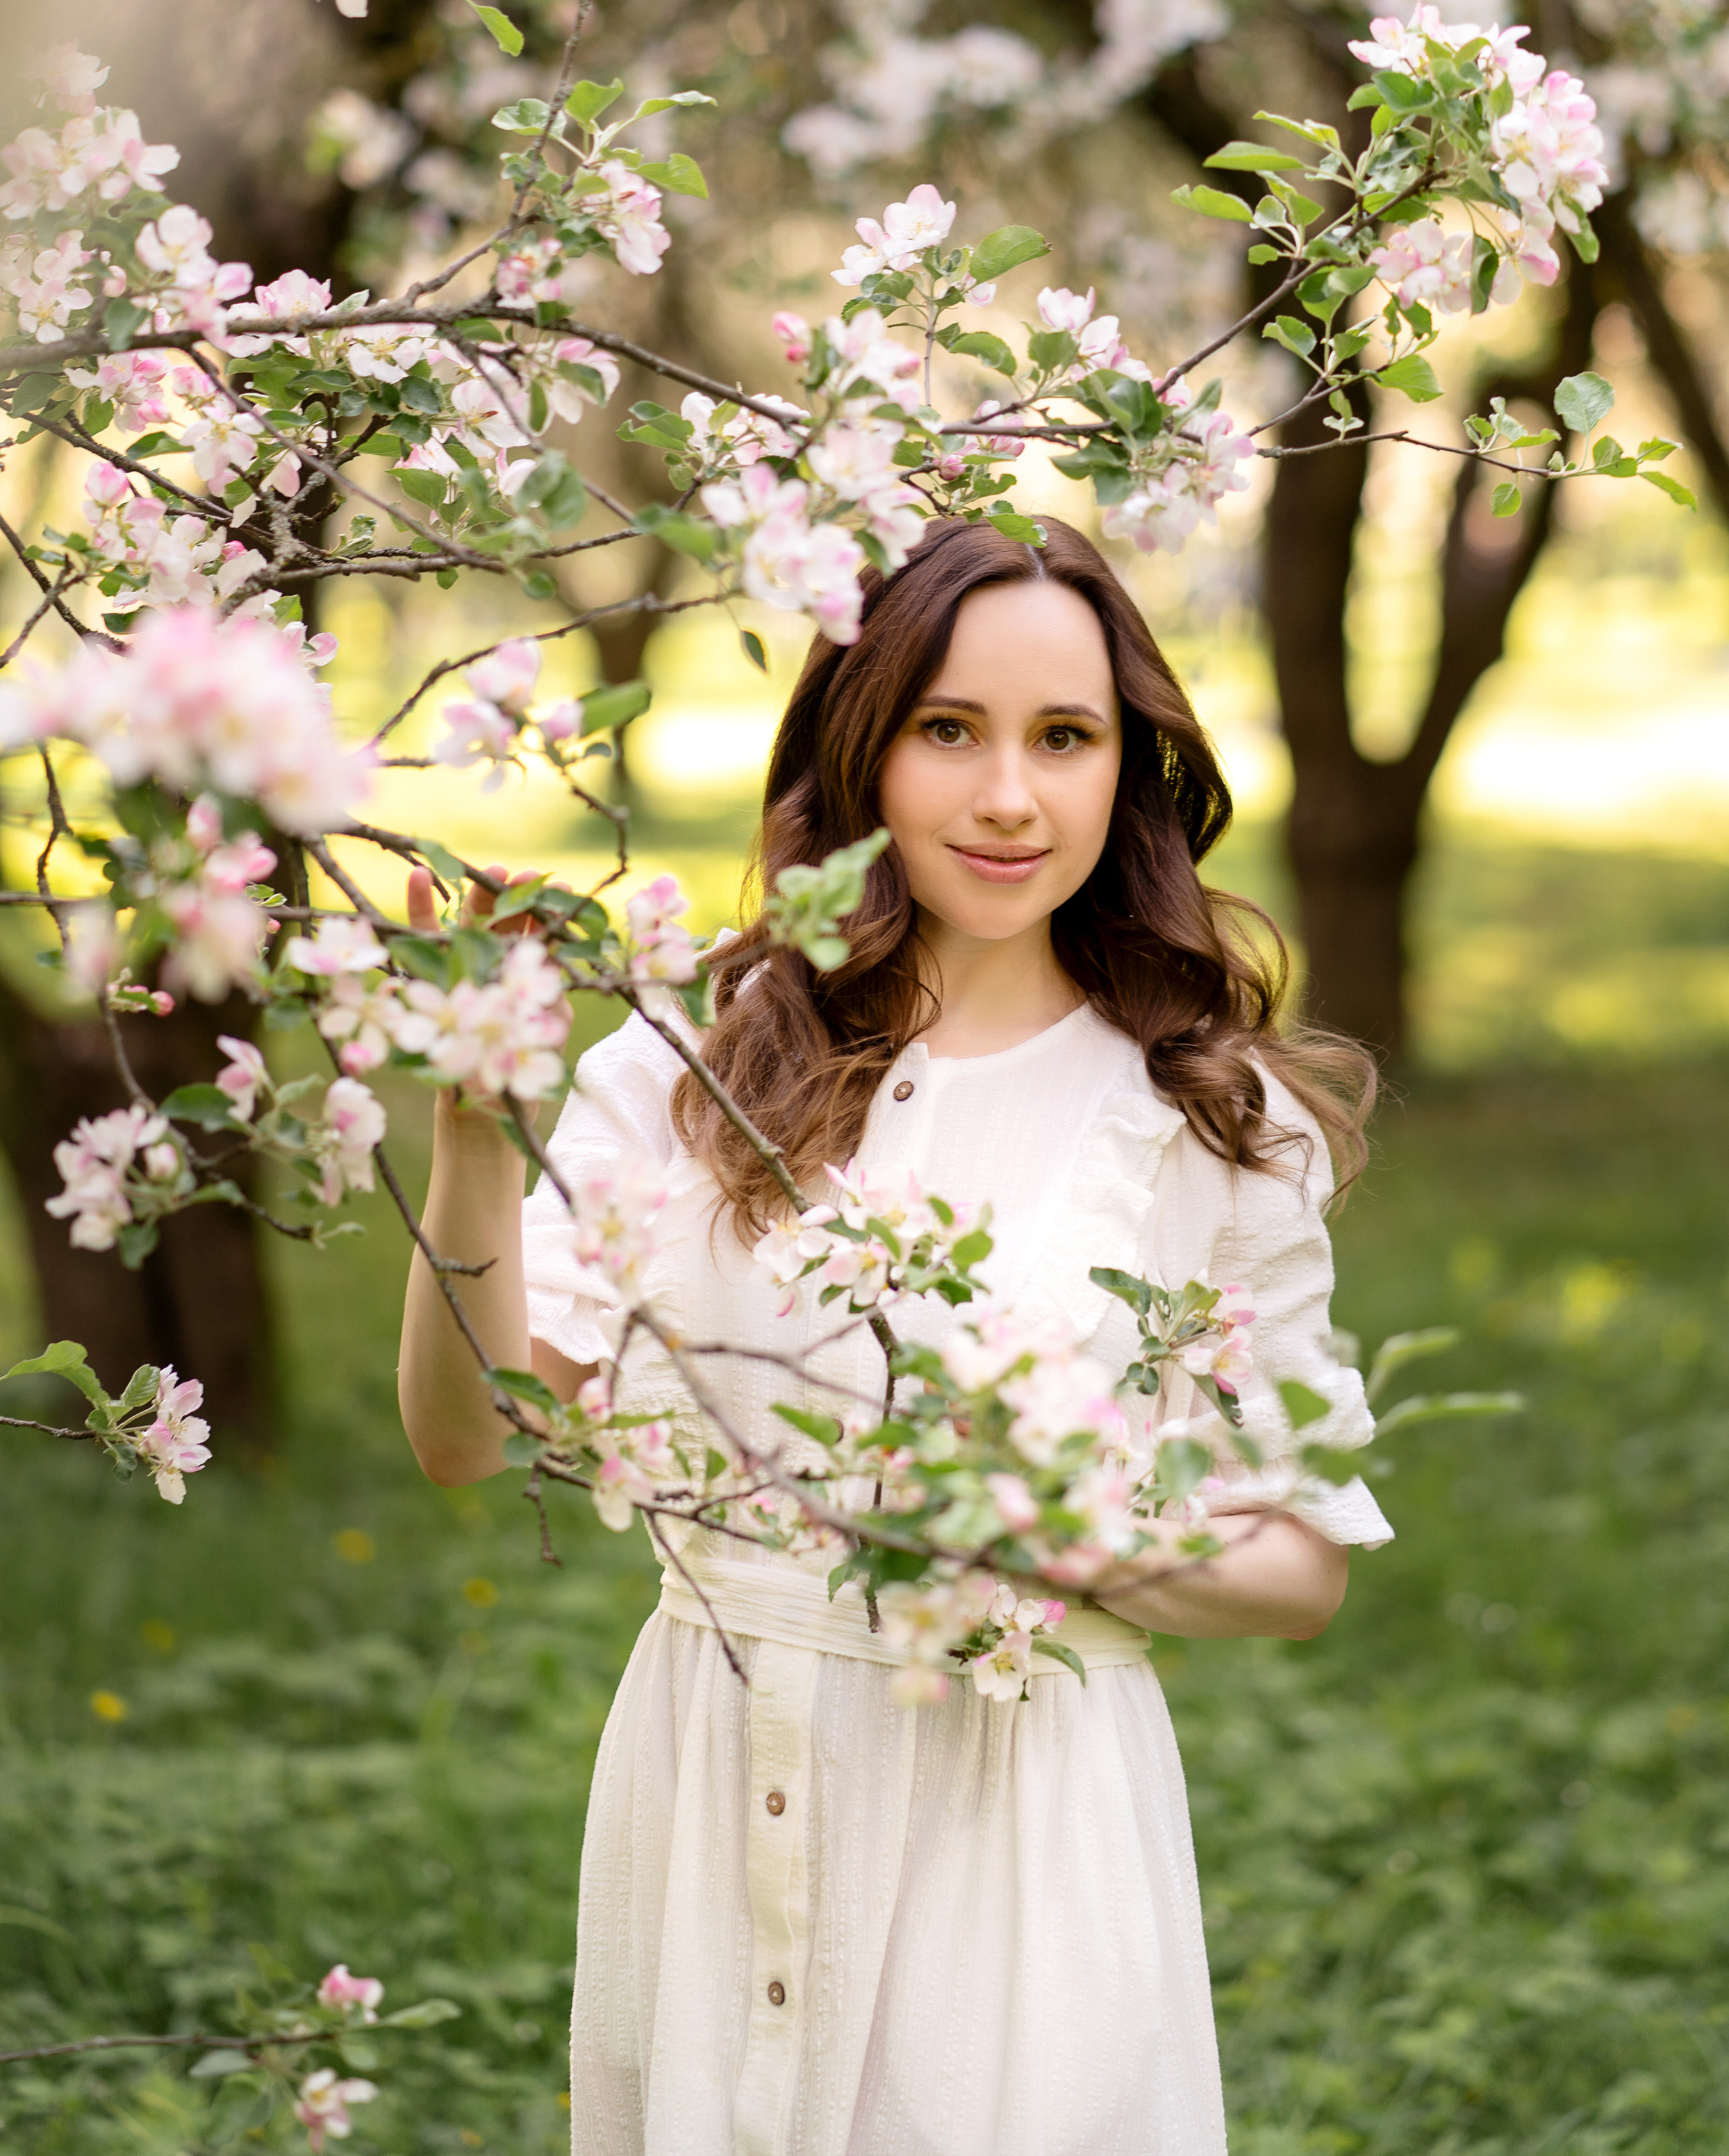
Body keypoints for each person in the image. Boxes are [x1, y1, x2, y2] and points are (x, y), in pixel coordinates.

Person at [397, 513, 1393, 2156]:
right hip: (716, 1779)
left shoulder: (1211, 1122)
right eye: (949, 731)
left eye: (1063, 738)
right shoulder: (684, 1070)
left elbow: (1300, 1569)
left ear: (1123, 771)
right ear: (859, 755)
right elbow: (471, 1436)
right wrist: (469, 1136)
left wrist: (1042, 1527)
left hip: (1021, 1824)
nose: (1009, 796)